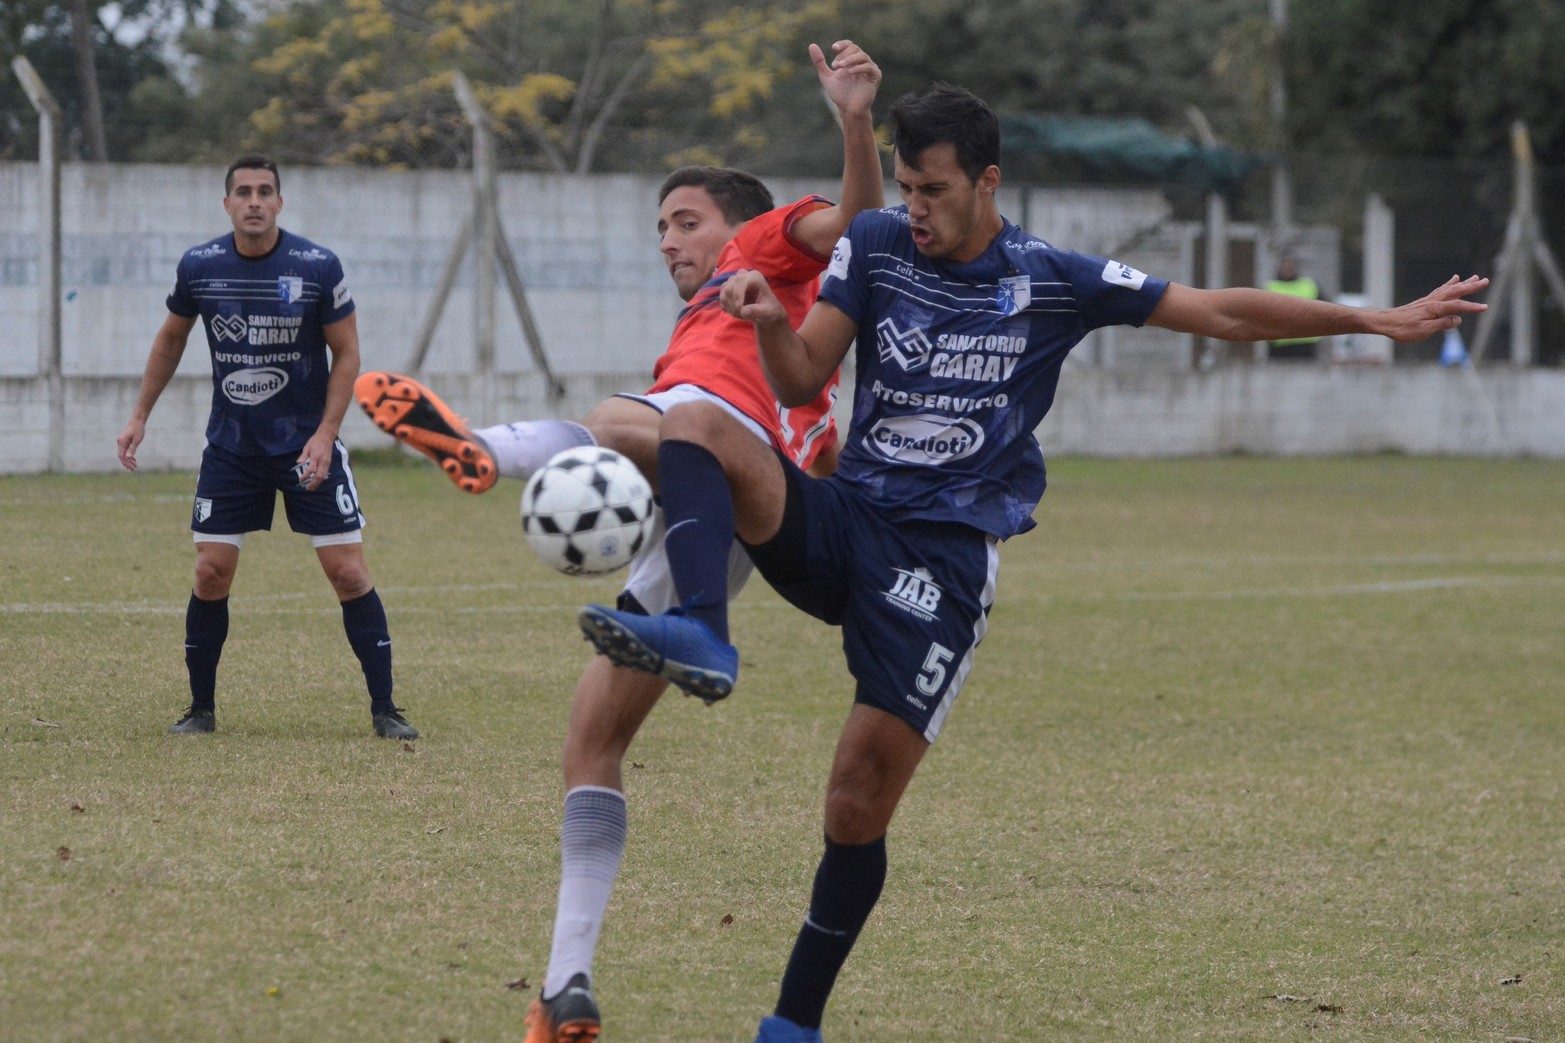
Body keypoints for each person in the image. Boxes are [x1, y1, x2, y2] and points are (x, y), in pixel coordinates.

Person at [575, 84, 1490, 1042]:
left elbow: (1218, 312)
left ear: (987, 181)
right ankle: (705, 639)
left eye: (931, 189)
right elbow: (802, 376)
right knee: (693, 421)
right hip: (847, 515)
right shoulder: (877, 243)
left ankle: (792, 1024)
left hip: (941, 565)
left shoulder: (1052, 277)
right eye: (903, 185)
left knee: (854, 802)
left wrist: (1373, 320)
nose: (912, 207)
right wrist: (768, 317)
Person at [352, 41, 883, 1043]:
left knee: (610, 419)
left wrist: (853, 118)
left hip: (702, 428)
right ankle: (566, 985)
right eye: (660, 227)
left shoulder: (767, 246)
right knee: (590, 740)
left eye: (685, 220)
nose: (669, 239)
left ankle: (481, 448)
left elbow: (852, 215)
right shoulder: (757, 330)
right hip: (714, 530)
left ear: (739, 221)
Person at [115, 155, 417, 741]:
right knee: (210, 572)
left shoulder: (317, 267)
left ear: (280, 202)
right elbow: (172, 338)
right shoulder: (200, 267)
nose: (254, 201)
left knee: (349, 574)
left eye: (265, 192)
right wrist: (139, 415)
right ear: (226, 204)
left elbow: (347, 353)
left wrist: (326, 434)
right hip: (231, 447)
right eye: (243, 192)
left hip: (306, 446)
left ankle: (386, 711)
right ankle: (200, 710)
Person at [1264, 252, 1328, 359]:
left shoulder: (1309, 285)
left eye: (1291, 265)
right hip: (1279, 344)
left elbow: (1325, 309)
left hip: (1306, 344)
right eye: (1285, 265)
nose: (1288, 268)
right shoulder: (1270, 287)